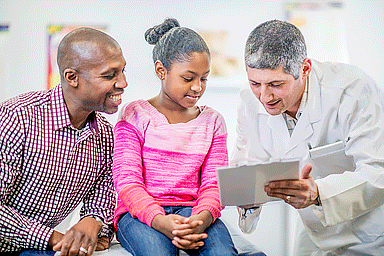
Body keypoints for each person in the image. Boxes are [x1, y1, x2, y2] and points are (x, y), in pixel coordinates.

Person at [231, 19, 384, 255]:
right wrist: (245, 198)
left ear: (305, 68)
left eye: (275, 84)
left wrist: (318, 193)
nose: (264, 96)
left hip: (368, 235)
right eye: (255, 83)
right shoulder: (249, 103)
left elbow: (378, 171)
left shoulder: (352, 90)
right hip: (312, 234)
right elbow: (248, 167)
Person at [112, 18, 238, 256]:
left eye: (204, 78)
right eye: (188, 78)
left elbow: (214, 185)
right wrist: (160, 221)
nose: (198, 87)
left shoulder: (213, 122)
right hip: (138, 215)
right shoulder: (134, 115)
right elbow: (127, 183)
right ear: (161, 71)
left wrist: (199, 221)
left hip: (193, 212)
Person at [0, 27, 127, 255]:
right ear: (72, 77)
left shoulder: (107, 135)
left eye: (122, 72)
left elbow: (104, 195)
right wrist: (55, 238)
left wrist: (93, 222)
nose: (123, 83)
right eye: (110, 75)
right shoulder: (17, 117)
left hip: (38, 250)